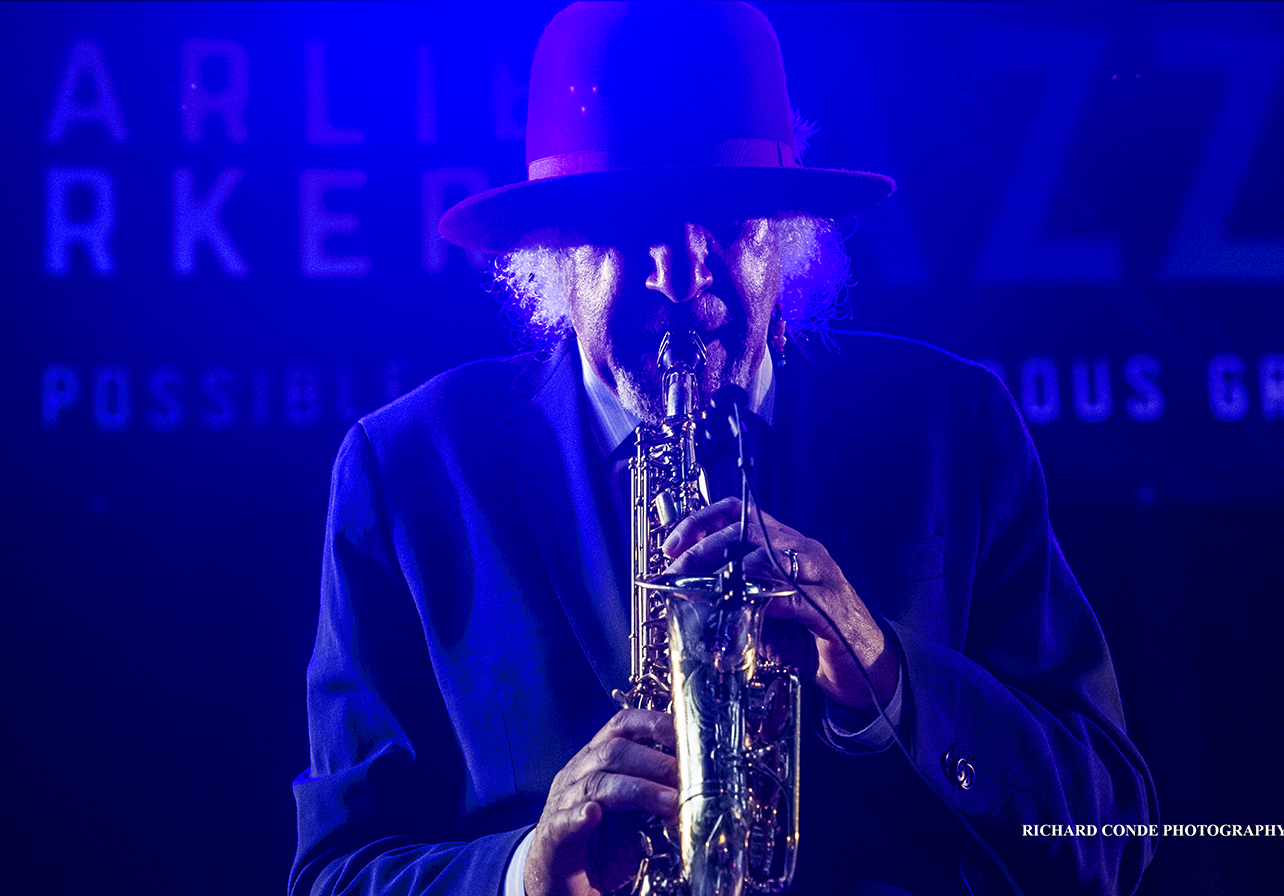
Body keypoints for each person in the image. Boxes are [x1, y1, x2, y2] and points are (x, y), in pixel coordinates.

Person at [290, 4, 1158, 895]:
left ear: (786, 234)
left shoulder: (953, 426)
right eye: (631, 224)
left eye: (729, 220)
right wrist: (524, 873)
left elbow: (1112, 831)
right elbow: (335, 874)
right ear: (550, 251)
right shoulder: (408, 474)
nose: (683, 272)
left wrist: (892, 672)